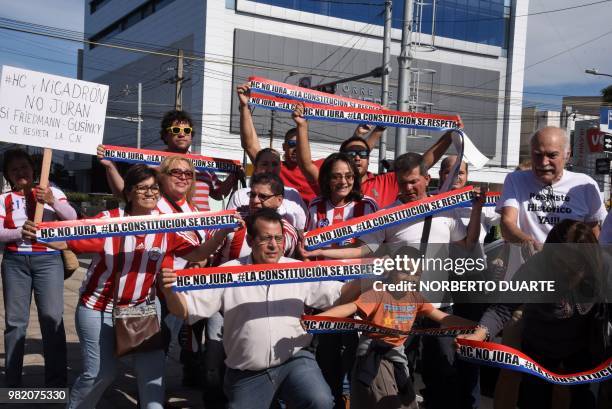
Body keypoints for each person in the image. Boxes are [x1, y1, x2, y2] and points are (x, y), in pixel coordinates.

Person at [22, 165, 232, 409]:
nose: (150, 193)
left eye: (154, 187)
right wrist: (41, 233)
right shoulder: (108, 221)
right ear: (129, 193)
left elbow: (197, 253)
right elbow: (69, 240)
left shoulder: (166, 225)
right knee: (101, 373)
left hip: (142, 309)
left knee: (153, 377)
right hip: (98, 308)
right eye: (143, 188)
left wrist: (221, 234)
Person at [159, 209, 364, 409]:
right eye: (266, 238)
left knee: (320, 401)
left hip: (294, 361)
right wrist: (169, 292)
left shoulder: (299, 270)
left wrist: (370, 275)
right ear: (250, 241)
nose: (273, 245)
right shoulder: (228, 272)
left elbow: (340, 295)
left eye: (278, 238)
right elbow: (185, 311)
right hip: (247, 374)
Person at [457, 219, 611, 409]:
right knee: (534, 400)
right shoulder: (537, 266)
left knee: (581, 401)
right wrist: (478, 335)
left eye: (575, 266)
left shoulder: (605, 268)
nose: (567, 272)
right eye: (560, 264)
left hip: (582, 353)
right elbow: (504, 308)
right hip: (539, 351)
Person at [319, 246, 475, 409]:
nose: (410, 278)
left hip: (397, 358)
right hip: (374, 357)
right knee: (390, 403)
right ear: (392, 270)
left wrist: (476, 327)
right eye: (404, 271)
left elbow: (443, 317)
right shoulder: (378, 292)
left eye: (416, 274)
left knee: (406, 402)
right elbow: (350, 307)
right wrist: (318, 320)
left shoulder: (415, 298)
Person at [0, 149, 77, 388]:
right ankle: (12, 383)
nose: (20, 172)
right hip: (15, 263)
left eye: (24, 166)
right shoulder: (4, 199)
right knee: (15, 323)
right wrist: (18, 233)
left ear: (34, 168)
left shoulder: (51, 191)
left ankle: (55, 385)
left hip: (48, 260)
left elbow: (72, 219)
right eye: (14, 170)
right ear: (8, 176)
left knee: (52, 319)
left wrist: (52, 202)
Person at [236, 83, 386, 205]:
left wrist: (375, 130)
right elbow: (250, 145)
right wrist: (244, 108)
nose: (296, 148)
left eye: (299, 142)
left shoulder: (318, 168)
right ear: (284, 147)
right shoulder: (275, 168)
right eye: (291, 143)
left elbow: (349, 158)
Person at [291, 102, 462, 208]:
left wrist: (448, 137)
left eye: (362, 154)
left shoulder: (385, 182)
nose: (357, 158)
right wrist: (302, 126)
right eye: (351, 154)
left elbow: (422, 163)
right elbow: (306, 165)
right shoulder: (334, 184)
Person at [97, 110, 240, 211]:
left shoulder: (204, 164)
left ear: (191, 135)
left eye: (187, 130)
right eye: (176, 130)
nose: (182, 134)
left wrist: (235, 174)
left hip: (203, 232)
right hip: (167, 231)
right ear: (165, 136)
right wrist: (110, 167)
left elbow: (218, 194)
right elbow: (125, 193)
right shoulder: (151, 163)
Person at [498, 126, 607, 248]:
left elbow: (593, 232)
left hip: (571, 264)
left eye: (552, 155)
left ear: (567, 154)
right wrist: (529, 244)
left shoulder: (586, 185)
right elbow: (507, 223)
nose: (544, 162)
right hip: (529, 264)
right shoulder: (516, 180)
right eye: (537, 155)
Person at [211, 173, 298, 263]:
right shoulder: (230, 224)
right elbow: (204, 257)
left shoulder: (289, 233)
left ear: (279, 200)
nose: (255, 200)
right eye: (252, 195)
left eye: (263, 196)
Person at [226, 148, 307, 231]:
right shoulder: (240, 195)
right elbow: (229, 229)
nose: (270, 169)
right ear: (256, 167)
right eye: (264, 164)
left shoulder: (293, 195)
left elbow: (301, 230)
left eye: (275, 164)